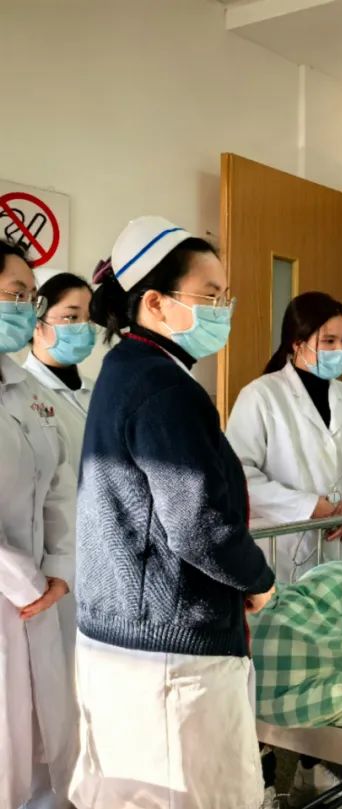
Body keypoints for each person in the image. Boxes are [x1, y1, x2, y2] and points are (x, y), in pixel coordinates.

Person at [69, 216, 276, 809]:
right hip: (168, 650)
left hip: (122, 632)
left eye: (225, 297)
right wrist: (258, 579)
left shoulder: (126, 368)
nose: (222, 310)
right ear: (155, 302)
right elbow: (198, 526)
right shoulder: (166, 389)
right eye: (209, 297)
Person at [227, 291, 342, 583]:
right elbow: (238, 476)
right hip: (288, 546)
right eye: (329, 341)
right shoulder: (260, 396)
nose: (340, 349)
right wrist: (308, 507)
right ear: (297, 344)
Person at [0, 240, 78, 809]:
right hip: (16, 592)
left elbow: (58, 484)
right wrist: (25, 581)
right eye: (15, 294)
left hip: (42, 598)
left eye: (31, 297)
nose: (27, 309)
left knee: (48, 740)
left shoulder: (27, 391)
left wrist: (58, 569)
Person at [23, 269, 96, 657]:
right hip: (49, 561)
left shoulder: (98, 392)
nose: (83, 327)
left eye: (88, 317)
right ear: (38, 322)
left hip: (102, 552)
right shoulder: (22, 394)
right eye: (70, 316)